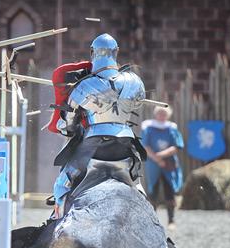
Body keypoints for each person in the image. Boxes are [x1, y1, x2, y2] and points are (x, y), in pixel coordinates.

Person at [49, 33, 147, 217]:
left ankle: (56, 220)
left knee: (63, 183)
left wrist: (68, 126)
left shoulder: (85, 85)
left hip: (94, 144)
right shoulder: (135, 82)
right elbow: (137, 103)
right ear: (116, 52)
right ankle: (146, 211)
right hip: (126, 142)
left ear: (93, 53)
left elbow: (67, 125)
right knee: (137, 183)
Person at [141, 106, 184, 229]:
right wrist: (156, 159)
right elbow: (145, 145)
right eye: (159, 113)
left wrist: (161, 155)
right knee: (153, 191)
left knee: (169, 191)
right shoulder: (148, 128)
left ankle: (171, 220)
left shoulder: (172, 128)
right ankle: (152, 221)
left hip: (168, 164)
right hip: (153, 164)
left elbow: (176, 146)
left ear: (168, 115)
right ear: (155, 114)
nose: (161, 115)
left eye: (164, 113)